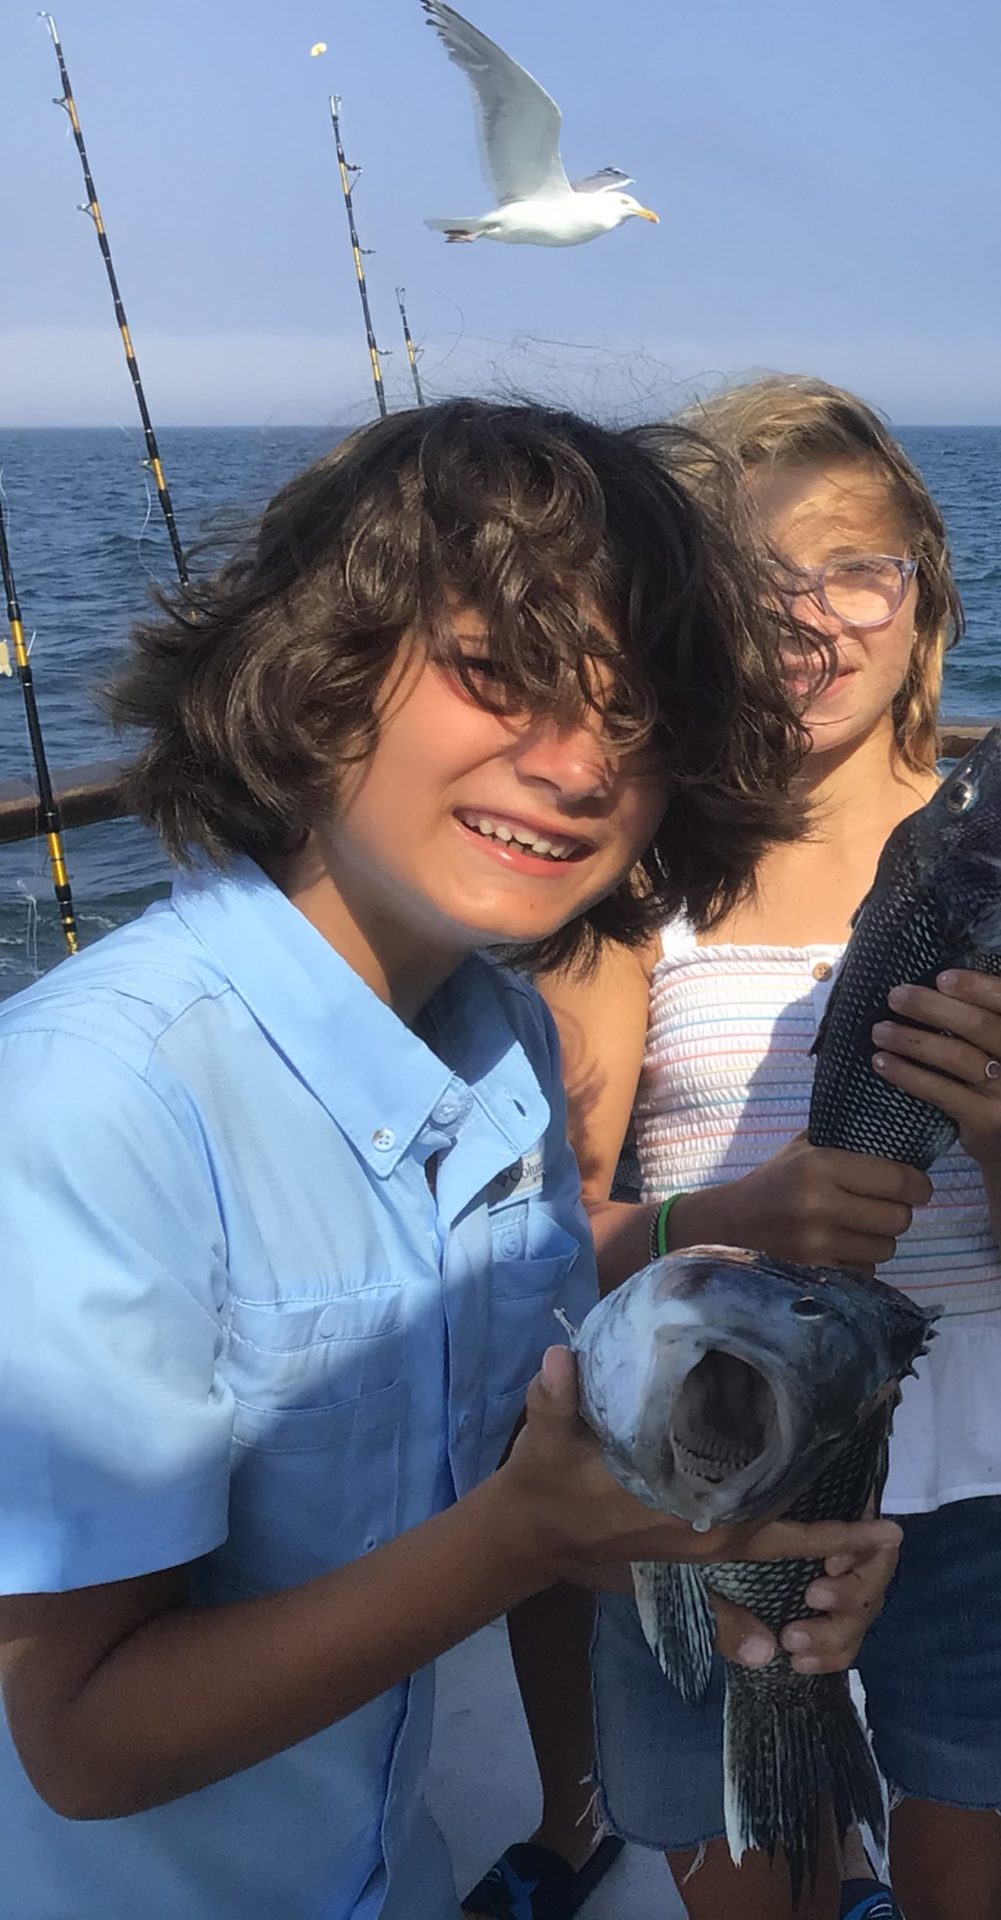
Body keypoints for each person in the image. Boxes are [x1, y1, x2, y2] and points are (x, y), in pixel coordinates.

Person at [0, 399, 903, 1920]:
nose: (576, 766)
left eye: (641, 728)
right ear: (318, 667)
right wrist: (526, 1538)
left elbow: (498, 1458)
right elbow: (78, 1742)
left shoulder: (503, 1043)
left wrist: (736, 1549)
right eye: (500, 676)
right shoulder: (92, 1103)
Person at [519, 376, 1001, 1920]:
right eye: (758, 581)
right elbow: (557, 1233)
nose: (814, 617)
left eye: (858, 568)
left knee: (974, 1883)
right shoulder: (638, 876)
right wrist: (738, 1210)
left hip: (973, 1464)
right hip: (698, 1465)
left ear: (925, 596)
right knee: (745, 1882)